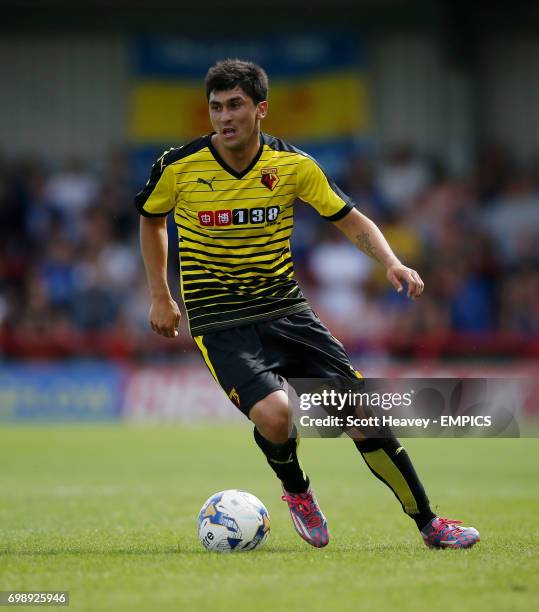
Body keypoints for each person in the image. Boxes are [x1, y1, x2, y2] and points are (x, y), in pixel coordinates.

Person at [135, 59, 479, 550]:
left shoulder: (292, 165)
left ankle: (430, 523)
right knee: (277, 417)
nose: (224, 117)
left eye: (236, 105)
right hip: (220, 320)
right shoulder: (178, 166)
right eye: (215, 107)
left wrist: (391, 262)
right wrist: (160, 294)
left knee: (361, 416)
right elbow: (150, 220)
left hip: (286, 312)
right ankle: (296, 490)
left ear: (261, 110)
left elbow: (350, 218)